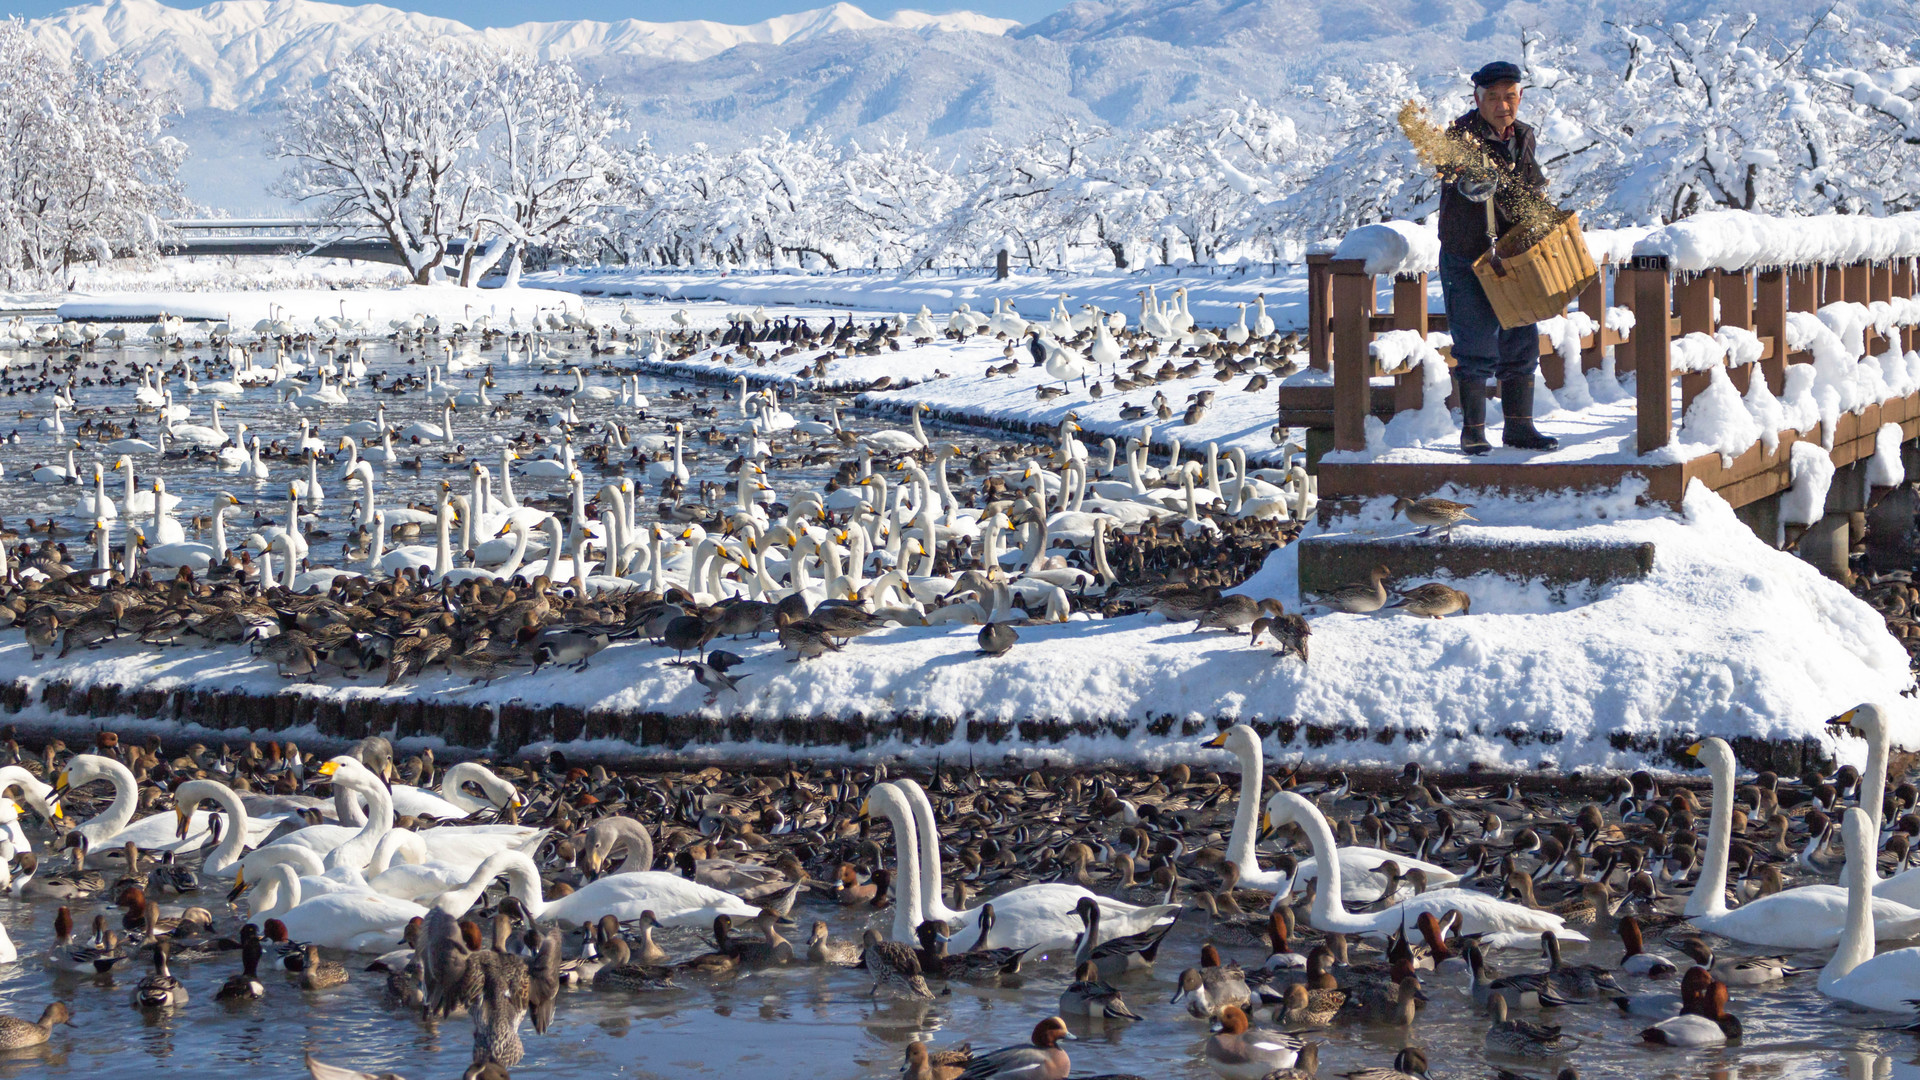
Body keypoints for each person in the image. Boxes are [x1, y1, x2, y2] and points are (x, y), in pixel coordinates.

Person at [1436, 60, 1559, 455]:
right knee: (1474, 345)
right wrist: (1465, 178)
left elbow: (1532, 183)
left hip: (1513, 255)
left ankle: (1520, 428)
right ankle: (1473, 432)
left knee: (1521, 339)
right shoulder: (1459, 135)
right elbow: (1450, 170)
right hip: (1468, 255)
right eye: (1493, 98)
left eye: (1510, 97)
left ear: (1520, 97)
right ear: (1477, 99)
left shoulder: (1524, 135)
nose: (1503, 106)